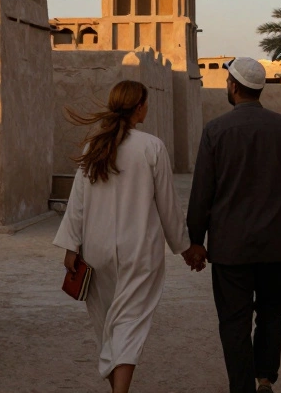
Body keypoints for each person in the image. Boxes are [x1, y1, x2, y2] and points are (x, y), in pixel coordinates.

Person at [185, 57, 281, 393]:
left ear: (233, 86)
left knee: (234, 321)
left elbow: (202, 192)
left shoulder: (215, 131)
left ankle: (242, 386)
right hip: (275, 244)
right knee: (272, 314)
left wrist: (196, 240)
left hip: (231, 249)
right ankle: (265, 377)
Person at [54, 80, 197, 393]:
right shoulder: (152, 147)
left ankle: (117, 388)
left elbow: (76, 202)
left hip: (96, 250)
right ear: (139, 107)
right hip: (140, 253)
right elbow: (168, 207)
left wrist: (70, 244)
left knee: (108, 325)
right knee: (129, 324)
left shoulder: (94, 147)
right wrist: (185, 247)